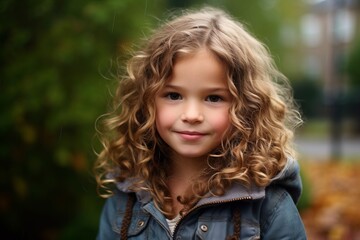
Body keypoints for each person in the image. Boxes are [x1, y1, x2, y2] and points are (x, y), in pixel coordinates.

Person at [95, 6, 307, 239]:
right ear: (147, 101)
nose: (192, 114)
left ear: (246, 107)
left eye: (213, 98)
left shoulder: (267, 205)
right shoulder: (127, 196)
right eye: (174, 95)